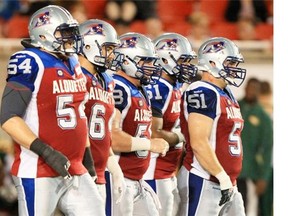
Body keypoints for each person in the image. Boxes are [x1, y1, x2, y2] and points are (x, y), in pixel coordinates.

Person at [0, 5, 105, 215]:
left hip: (74, 167)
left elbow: (79, 113)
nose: (71, 38)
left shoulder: (73, 62)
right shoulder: (30, 61)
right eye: (64, 33)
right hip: (39, 169)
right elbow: (8, 118)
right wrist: (47, 153)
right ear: (44, 33)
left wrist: (87, 159)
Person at [177, 37, 247, 215]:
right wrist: (222, 176)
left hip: (227, 182)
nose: (234, 68)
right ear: (212, 62)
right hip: (205, 179)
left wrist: (227, 179)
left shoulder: (226, 93)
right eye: (230, 63)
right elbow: (199, 142)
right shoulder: (202, 90)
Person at [110, 32, 170, 215]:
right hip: (117, 178)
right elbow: (111, 137)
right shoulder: (118, 87)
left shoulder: (139, 89)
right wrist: (150, 144)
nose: (152, 67)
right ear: (127, 60)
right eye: (146, 62)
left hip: (136, 180)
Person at [143, 32, 198, 216]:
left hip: (166, 172)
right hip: (152, 171)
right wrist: (182, 136)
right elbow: (152, 132)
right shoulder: (158, 86)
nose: (188, 66)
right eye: (183, 60)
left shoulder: (175, 87)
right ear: (165, 59)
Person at [78, 19, 126, 214]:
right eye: (107, 48)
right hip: (79, 169)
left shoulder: (106, 80)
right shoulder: (77, 77)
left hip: (99, 171)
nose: (111, 54)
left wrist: (113, 164)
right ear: (88, 45)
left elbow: (104, 129)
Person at [237, 77, 273, 216]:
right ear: (245, 88)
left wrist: (263, 177)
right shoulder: (234, 107)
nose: (251, 91)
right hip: (228, 169)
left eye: (255, 89)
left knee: (248, 208)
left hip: (250, 172)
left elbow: (267, 148)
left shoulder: (263, 117)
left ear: (259, 92)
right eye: (249, 87)